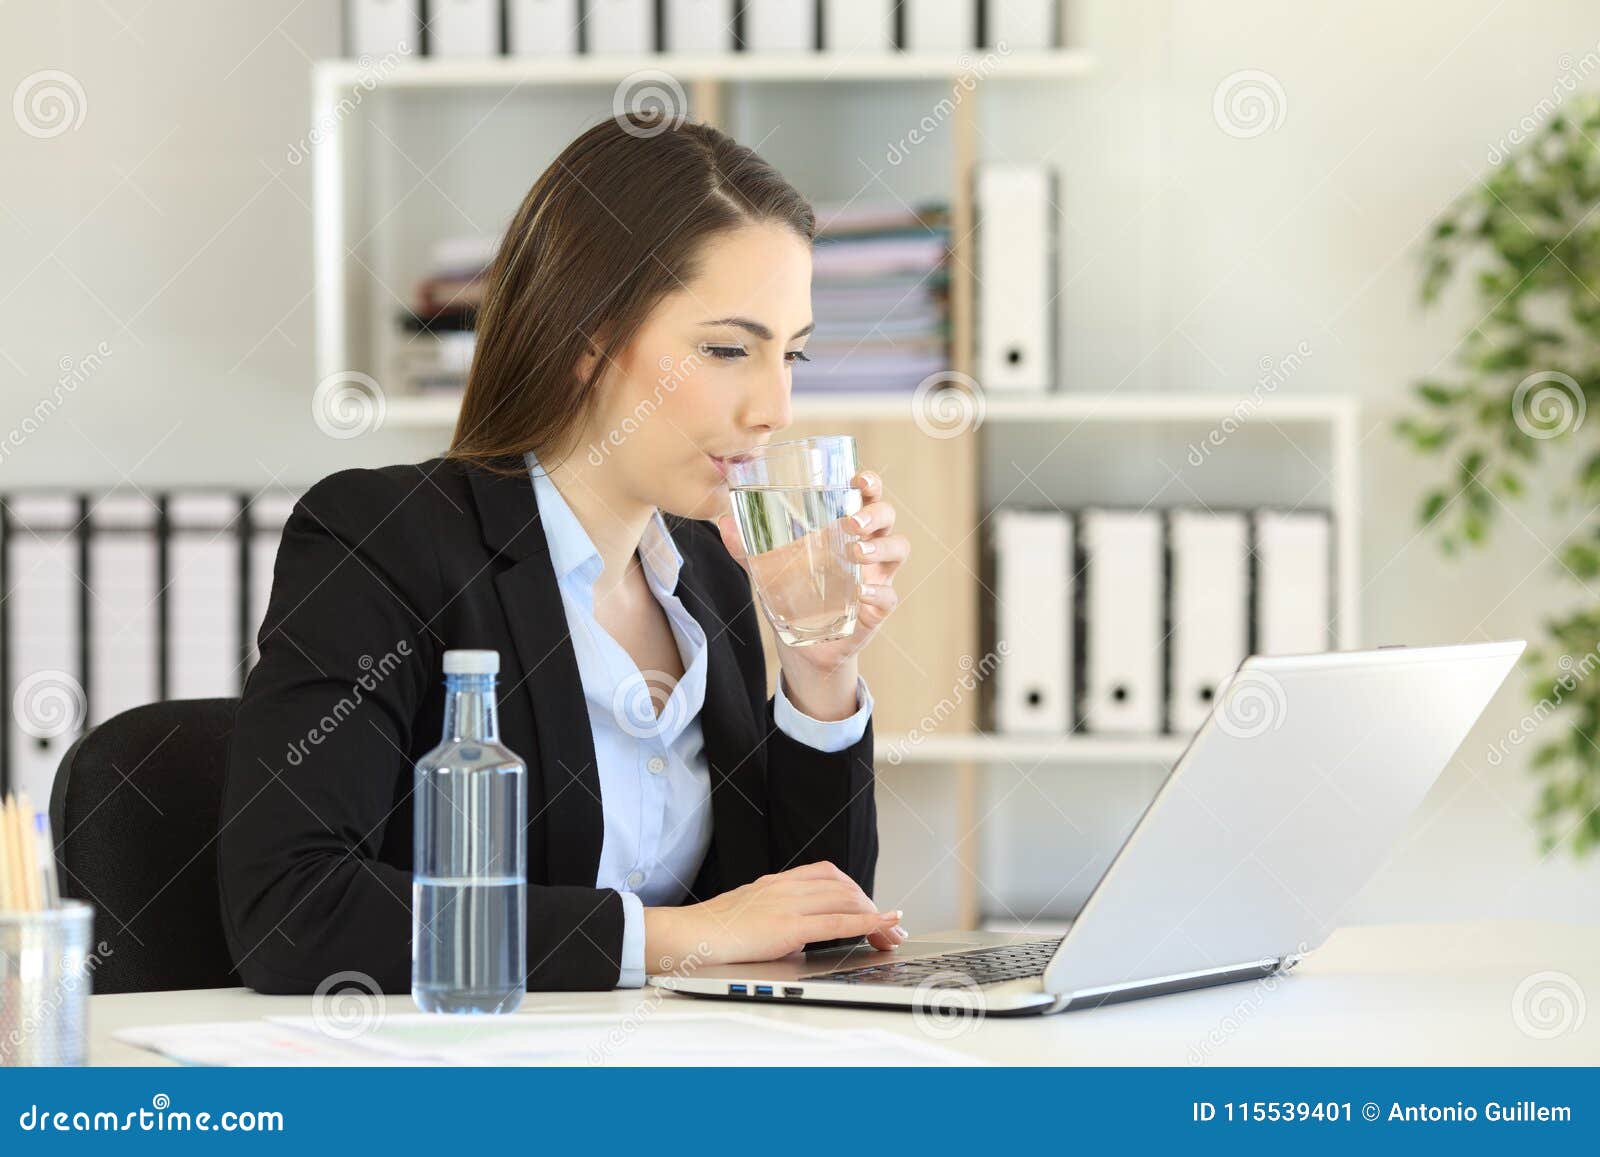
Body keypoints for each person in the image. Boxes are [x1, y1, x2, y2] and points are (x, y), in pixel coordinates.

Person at [217, 112, 911, 994]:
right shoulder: (382, 538)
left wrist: (820, 667)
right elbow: (294, 908)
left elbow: (812, 925)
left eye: (793, 356)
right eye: (728, 349)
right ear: (589, 338)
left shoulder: (709, 575)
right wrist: (673, 935)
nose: (774, 408)